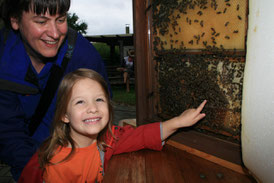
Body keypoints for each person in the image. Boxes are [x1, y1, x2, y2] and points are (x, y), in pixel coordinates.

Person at [18, 68, 207, 183]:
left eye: (99, 99)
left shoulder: (108, 139)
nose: (92, 108)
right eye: (80, 102)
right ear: (64, 116)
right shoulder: (58, 164)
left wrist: (179, 122)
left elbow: (141, 136)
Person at [0, 0, 111, 180]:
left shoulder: (84, 56)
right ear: (15, 20)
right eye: (41, 21)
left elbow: (102, 113)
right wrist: (38, 175)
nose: (54, 33)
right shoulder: (3, 57)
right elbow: (8, 132)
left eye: (60, 20)